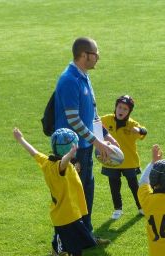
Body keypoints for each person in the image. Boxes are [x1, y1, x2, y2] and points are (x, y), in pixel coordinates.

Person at [13, 127, 97, 256]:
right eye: (73, 145)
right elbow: (63, 164)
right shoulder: (61, 166)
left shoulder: (46, 162)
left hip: (63, 217)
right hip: (69, 219)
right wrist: (71, 154)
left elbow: (34, 152)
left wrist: (21, 139)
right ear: (67, 149)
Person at [53, 36, 117, 244]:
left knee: (85, 193)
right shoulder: (69, 80)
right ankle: (61, 243)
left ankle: (85, 237)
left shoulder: (84, 76)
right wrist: (98, 143)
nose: (98, 57)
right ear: (83, 55)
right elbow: (74, 120)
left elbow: (93, 114)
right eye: (95, 53)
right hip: (71, 151)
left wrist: (106, 136)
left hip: (86, 146)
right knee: (69, 196)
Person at [100, 95, 148, 219]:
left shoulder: (132, 124)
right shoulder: (106, 120)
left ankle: (141, 207)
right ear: (115, 108)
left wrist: (139, 130)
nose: (121, 111)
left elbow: (144, 131)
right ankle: (118, 209)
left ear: (129, 112)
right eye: (119, 107)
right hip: (111, 161)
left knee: (133, 185)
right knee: (114, 185)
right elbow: (94, 123)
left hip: (129, 161)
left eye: (125, 109)